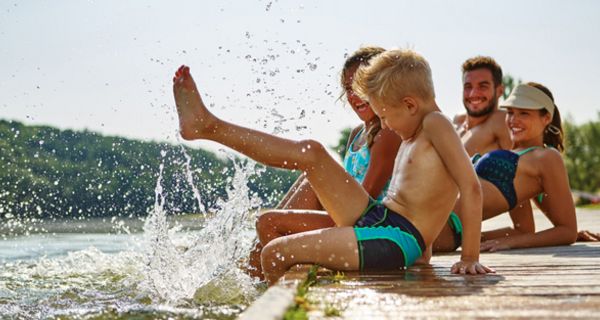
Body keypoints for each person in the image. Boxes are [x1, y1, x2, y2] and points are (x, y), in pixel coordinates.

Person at [172, 49, 494, 285]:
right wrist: (424, 251)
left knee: (274, 253)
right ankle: (208, 126)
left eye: (384, 116)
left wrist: (469, 257)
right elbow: (425, 193)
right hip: (381, 217)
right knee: (312, 152)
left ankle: (270, 308)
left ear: (409, 104)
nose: (384, 124)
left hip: (396, 239)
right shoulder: (415, 129)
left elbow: (470, 186)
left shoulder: (436, 124)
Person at [246, 47, 402, 280]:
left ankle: (271, 295)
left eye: (363, 85)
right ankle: (252, 278)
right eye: (349, 88)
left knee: (269, 222)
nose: (354, 95)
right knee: (308, 181)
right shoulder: (358, 134)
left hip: (368, 226)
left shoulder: (387, 133)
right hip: (349, 217)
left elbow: (366, 202)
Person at [437, 82, 578, 252]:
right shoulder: (517, 156)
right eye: (510, 112)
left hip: (442, 226)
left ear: (546, 118)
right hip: (436, 218)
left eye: (524, 113)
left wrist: (510, 243)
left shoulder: (547, 157)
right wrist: (475, 239)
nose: (513, 120)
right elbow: (523, 229)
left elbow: (567, 231)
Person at [434, 56, 512, 252]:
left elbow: (521, 177)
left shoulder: (501, 121)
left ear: (500, 90)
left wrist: (559, 230)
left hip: (446, 224)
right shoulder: (457, 122)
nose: (473, 93)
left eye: (483, 86)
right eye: (468, 86)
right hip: (427, 208)